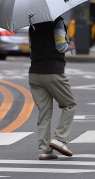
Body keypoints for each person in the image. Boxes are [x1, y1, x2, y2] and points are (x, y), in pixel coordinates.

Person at [28, 16, 77, 160]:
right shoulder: (57, 22)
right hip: (53, 72)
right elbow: (60, 46)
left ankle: (44, 151)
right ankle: (60, 139)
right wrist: (70, 46)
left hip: (35, 73)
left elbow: (32, 48)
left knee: (44, 111)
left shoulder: (33, 25)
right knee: (70, 105)